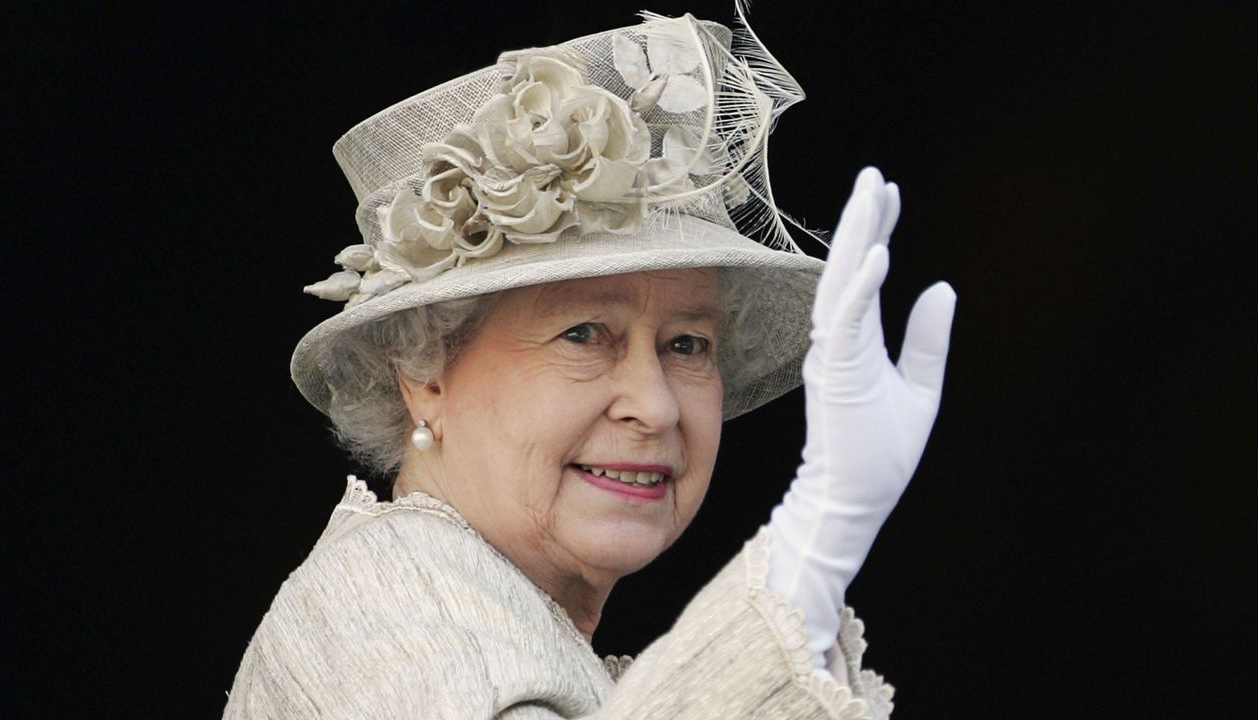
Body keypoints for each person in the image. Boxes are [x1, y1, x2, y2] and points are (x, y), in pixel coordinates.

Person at [223, 8, 955, 719]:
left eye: (686, 344)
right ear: (424, 373)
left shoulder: (511, 626)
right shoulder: (378, 610)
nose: (657, 405)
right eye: (583, 334)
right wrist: (815, 545)